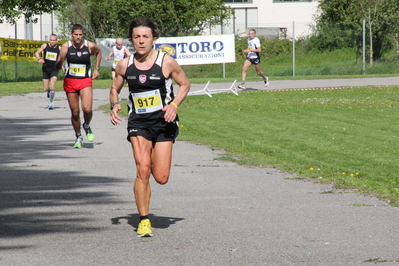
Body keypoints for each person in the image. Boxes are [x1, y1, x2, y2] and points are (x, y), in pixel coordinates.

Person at [109, 17, 190, 237]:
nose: (141, 41)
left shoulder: (166, 62)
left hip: (164, 122)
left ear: (154, 39)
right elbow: (114, 89)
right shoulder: (124, 65)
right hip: (139, 123)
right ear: (131, 40)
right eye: (137, 37)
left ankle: (146, 194)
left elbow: (185, 84)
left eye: (146, 36)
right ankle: (144, 220)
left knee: (161, 177)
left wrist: (173, 104)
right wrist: (115, 105)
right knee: (143, 168)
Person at [55, 24, 102, 148]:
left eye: (80, 35)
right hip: (70, 81)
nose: (78, 37)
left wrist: (97, 69)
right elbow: (57, 66)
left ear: (83, 35)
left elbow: (99, 52)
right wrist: (61, 60)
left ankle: (86, 125)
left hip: (85, 80)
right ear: (72, 35)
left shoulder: (89, 45)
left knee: (87, 109)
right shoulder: (66, 46)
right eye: (76, 35)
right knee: (75, 112)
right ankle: (78, 136)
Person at [35, 34, 61, 110]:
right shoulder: (45, 46)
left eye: (54, 40)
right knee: (46, 88)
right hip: (46, 69)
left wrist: (62, 65)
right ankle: (49, 92)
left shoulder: (59, 48)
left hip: (54, 69)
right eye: (51, 40)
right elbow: (36, 53)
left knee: (52, 86)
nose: (52, 42)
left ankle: (50, 103)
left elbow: (63, 56)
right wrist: (39, 59)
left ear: (56, 41)